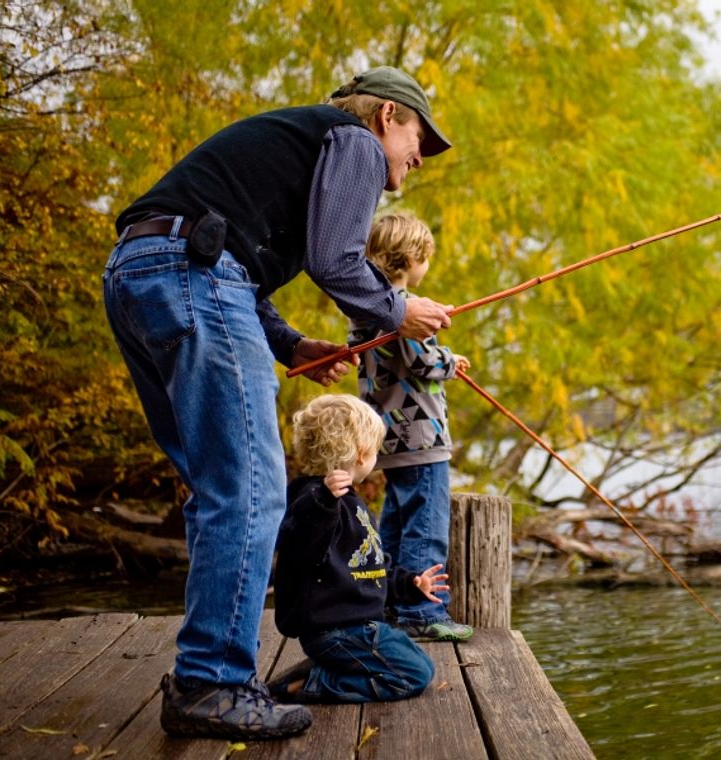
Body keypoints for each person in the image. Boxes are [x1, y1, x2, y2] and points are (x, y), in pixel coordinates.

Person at [101, 66, 453, 740]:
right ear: (385, 117)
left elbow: (229, 257)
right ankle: (214, 684)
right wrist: (398, 309)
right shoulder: (351, 140)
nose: (419, 154)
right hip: (193, 276)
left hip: (138, 271)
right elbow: (334, 259)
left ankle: (208, 675)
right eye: (418, 135)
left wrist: (290, 346)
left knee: (219, 489)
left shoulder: (299, 147)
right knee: (251, 491)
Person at [268, 394, 442, 703]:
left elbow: (371, 565)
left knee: (422, 662)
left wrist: (410, 583)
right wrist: (323, 503)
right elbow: (299, 546)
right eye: (376, 450)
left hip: (359, 627)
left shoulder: (352, 502)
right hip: (334, 630)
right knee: (414, 675)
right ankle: (311, 685)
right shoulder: (311, 501)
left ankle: (317, 672)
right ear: (362, 454)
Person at [350, 213, 473, 641]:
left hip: (388, 436)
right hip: (421, 436)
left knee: (396, 523)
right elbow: (421, 360)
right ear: (412, 258)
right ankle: (422, 609)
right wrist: (450, 362)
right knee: (426, 524)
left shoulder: (366, 311)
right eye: (426, 259)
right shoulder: (406, 311)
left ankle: (388, 601)